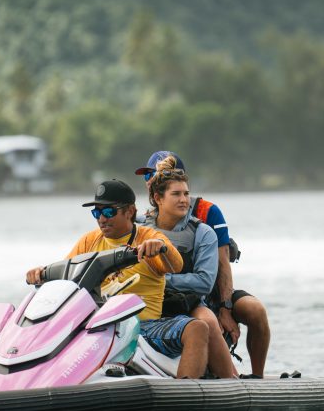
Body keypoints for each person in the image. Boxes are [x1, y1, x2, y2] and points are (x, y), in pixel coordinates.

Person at [25, 179, 209, 379]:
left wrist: (160, 248)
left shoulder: (149, 236)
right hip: (98, 330)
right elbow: (65, 281)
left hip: (144, 328)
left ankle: (184, 394)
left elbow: (176, 265)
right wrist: (40, 274)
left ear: (130, 211)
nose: (102, 219)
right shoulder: (89, 241)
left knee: (197, 328)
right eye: (96, 212)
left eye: (109, 212)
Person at [136, 151, 270, 378]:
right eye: (147, 176)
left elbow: (220, 265)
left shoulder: (206, 216)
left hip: (207, 291)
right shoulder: (142, 222)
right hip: (160, 296)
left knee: (248, 311)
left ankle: (248, 380)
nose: (148, 180)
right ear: (158, 196)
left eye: (154, 174)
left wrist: (225, 308)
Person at [141, 156, 236, 379]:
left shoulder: (203, 233)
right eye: (176, 194)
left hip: (188, 301)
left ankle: (231, 380)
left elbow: (204, 282)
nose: (184, 200)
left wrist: (162, 281)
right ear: (158, 198)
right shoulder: (141, 228)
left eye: (186, 193)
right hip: (148, 300)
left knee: (208, 321)